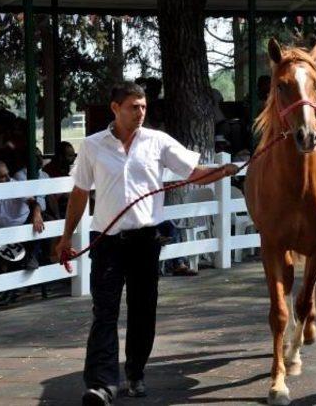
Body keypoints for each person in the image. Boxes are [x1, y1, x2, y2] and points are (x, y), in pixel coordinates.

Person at [55, 82, 238, 406]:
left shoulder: (158, 142)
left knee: (143, 310)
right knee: (104, 312)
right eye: (133, 107)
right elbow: (80, 192)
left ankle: (136, 373)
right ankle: (101, 385)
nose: (140, 113)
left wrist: (221, 172)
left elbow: (193, 172)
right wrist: (67, 236)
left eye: (143, 107)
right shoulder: (93, 145)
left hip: (145, 239)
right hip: (107, 240)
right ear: (115, 108)